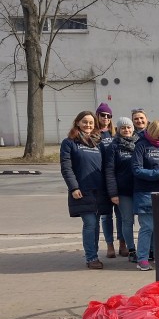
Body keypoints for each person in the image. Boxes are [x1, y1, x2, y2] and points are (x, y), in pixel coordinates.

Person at [60, 111, 110, 269]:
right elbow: (66, 168)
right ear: (77, 123)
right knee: (89, 223)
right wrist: (74, 187)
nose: (88, 125)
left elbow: (105, 167)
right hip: (82, 190)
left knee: (96, 225)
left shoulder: (98, 143)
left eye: (91, 122)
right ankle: (91, 257)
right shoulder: (69, 143)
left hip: (99, 191)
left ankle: (93, 254)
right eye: (85, 122)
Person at [132, 120, 159, 271]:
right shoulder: (141, 145)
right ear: (151, 132)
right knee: (147, 227)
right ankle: (142, 258)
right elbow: (136, 170)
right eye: (158, 136)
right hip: (145, 193)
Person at [104, 117, 138, 263]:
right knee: (127, 220)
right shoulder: (113, 146)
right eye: (123, 128)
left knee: (144, 222)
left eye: (129, 127)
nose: (126, 130)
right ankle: (131, 249)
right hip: (123, 191)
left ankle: (146, 249)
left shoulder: (139, 144)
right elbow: (109, 171)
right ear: (118, 130)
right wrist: (113, 193)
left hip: (139, 189)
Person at [96, 103, 125, 258]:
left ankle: (122, 243)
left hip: (116, 180)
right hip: (101, 181)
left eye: (108, 116)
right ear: (97, 116)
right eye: (102, 115)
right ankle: (109, 245)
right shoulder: (93, 134)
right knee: (106, 215)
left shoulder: (115, 135)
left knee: (120, 214)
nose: (105, 118)